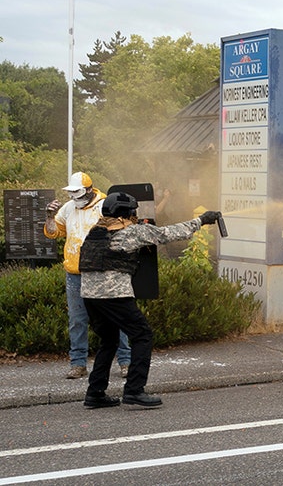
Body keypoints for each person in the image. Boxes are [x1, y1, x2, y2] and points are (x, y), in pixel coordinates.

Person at [79, 192, 220, 408]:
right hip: (115, 295)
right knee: (142, 335)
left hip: (90, 296)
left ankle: (95, 393)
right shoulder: (132, 233)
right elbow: (167, 234)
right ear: (125, 213)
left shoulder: (95, 231)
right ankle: (134, 390)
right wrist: (201, 220)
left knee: (109, 341)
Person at [43, 172, 131, 380]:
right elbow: (53, 232)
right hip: (75, 273)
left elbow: (124, 229)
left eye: (77, 192)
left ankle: (126, 361)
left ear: (90, 190)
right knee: (77, 319)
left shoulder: (105, 206)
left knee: (115, 317)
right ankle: (78, 364)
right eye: (71, 192)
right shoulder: (68, 208)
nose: (74, 196)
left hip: (102, 272)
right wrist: (48, 216)